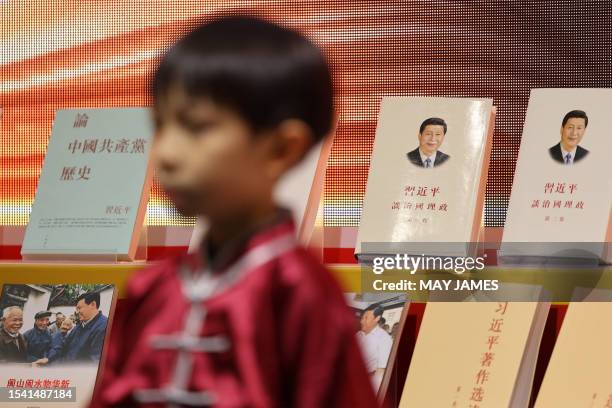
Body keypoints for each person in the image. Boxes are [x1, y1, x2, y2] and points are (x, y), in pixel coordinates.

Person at [90, 15, 377, 408]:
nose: (166, 153)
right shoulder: (152, 289)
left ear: (281, 149)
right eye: (160, 124)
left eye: (196, 127)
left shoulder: (299, 291)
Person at [357, 304, 393, 392]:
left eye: (366, 318)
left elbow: (381, 370)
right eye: (362, 318)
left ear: (377, 318)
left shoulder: (384, 338)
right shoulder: (358, 334)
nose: (362, 321)